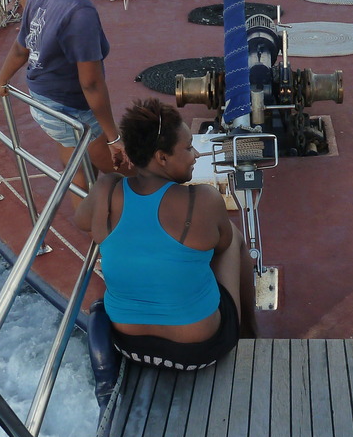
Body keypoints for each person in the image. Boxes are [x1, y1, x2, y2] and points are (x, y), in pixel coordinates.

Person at [74, 99, 257, 370]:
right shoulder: (203, 199)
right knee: (232, 236)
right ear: (161, 157)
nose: (195, 155)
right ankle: (250, 334)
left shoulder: (107, 189)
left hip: (128, 345)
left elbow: (82, 221)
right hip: (199, 351)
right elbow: (223, 246)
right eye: (187, 147)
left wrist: (125, 172)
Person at [0, 0, 128, 203]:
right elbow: (91, 83)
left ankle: (90, 227)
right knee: (129, 171)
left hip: (43, 105)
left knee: (78, 167)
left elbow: (21, 49)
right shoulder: (81, 11)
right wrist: (114, 138)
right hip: (71, 111)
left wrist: (1, 80)